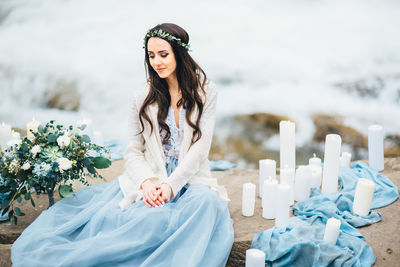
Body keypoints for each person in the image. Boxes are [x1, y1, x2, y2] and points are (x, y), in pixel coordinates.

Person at [11, 23, 234, 267]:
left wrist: (170, 186)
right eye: (151, 56)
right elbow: (133, 151)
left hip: (191, 176)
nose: (156, 62)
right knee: (151, 219)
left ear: (179, 54)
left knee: (207, 203)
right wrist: (148, 183)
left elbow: (200, 149)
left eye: (163, 54)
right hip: (153, 175)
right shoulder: (142, 97)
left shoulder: (206, 92)